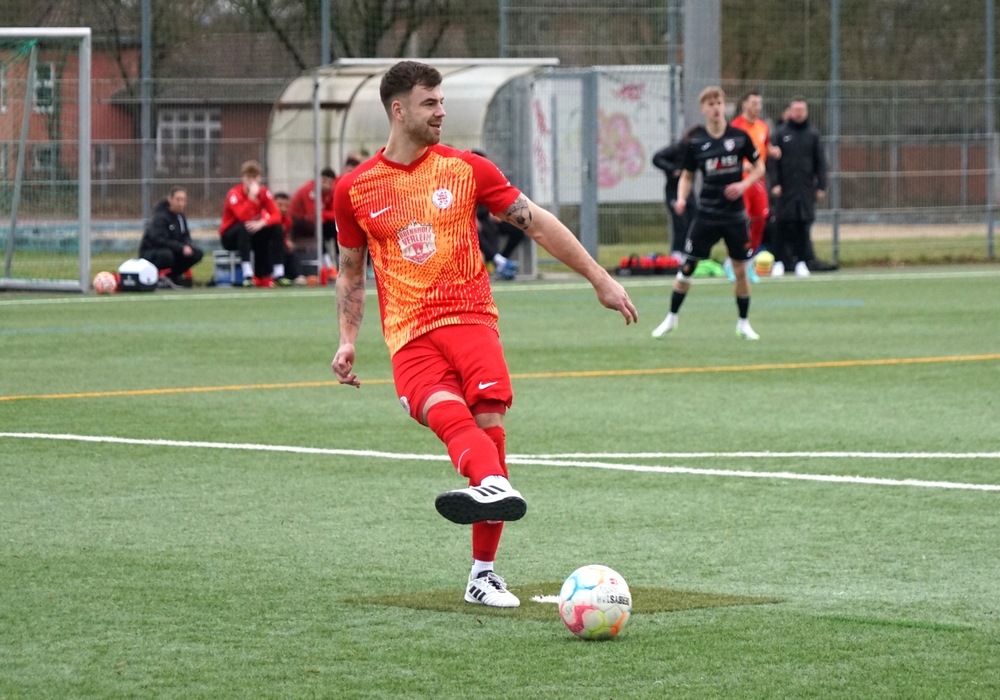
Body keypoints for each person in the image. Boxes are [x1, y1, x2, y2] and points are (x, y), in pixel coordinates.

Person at [331, 61, 637, 608]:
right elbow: (351, 270)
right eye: (430, 103)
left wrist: (600, 278)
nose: (441, 111)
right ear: (398, 110)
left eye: (442, 101)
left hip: (471, 319)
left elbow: (536, 221)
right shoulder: (354, 189)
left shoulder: (467, 168)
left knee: (489, 423)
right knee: (445, 415)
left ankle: (482, 574)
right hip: (409, 336)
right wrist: (347, 338)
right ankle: (492, 486)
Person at [651, 86, 765, 341]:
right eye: (710, 104)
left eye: (719, 103)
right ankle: (671, 318)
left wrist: (743, 185)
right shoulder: (696, 143)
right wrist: (682, 198)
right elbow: (687, 176)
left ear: (725, 105)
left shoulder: (740, 138)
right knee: (688, 266)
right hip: (706, 215)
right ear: (703, 109)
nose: (716, 108)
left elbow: (760, 167)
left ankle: (744, 323)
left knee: (740, 269)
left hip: (735, 216)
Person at [768, 96, 827, 278]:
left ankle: (801, 262)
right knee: (781, 225)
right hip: (785, 189)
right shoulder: (780, 133)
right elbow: (771, 162)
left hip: (805, 189)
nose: (799, 113)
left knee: (803, 226)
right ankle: (779, 262)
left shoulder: (813, 134)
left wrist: (821, 185)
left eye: (802, 110)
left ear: (806, 112)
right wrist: (775, 183)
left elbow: (821, 162)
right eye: (796, 110)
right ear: (790, 111)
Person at [729, 91, 778, 283]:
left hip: (758, 182)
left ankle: (748, 262)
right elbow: (728, 154)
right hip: (740, 182)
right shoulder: (735, 127)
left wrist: (772, 151)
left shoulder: (763, 126)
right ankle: (732, 262)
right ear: (744, 105)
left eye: (759, 103)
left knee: (761, 220)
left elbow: (765, 145)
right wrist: (742, 165)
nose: (757, 107)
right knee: (740, 222)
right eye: (753, 103)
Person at [219, 160, 287, 287]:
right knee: (244, 227)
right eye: (248, 177)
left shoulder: (264, 192)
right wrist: (251, 197)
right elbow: (243, 217)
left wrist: (263, 222)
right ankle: (247, 274)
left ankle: (278, 273)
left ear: (260, 178)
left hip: (251, 232)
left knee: (276, 228)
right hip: (230, 237)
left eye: (255, 177)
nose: (252, 181)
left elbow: (277, 215)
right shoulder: (234, 194)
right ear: (243, 178)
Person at [138, 186, 202, 289]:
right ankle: (155, 277)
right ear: (170, 199)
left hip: (172, 249)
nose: (181, 203)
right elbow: (159, 240)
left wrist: (187, 245)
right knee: (167, 255)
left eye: (183, 200)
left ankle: (172, 276)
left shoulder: (181, 217)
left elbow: (185, 235)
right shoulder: (160, 217)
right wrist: (180, 247)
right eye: (178, 200)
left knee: (196, 253)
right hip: (152, 251)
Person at [652, 137, 697, 258]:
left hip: (689, 192)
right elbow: (657, 158)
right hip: (673, 191)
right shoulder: (677, 148)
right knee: (680, 223)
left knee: (693, 221)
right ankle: (677, 254)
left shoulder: (696, 151)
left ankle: (690, 253)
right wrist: (672, 169)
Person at [289, 167, 338, 277]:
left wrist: (324, 214)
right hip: (298, 223)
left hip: (317, 222)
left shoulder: (331, 192)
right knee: (320, 231)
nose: (327, 186)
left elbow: (336, 213)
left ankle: (341, 264)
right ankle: (328, 266)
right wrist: (326, 215)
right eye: (324, 181)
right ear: (319, 180)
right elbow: (313, 216)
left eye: (330, 183)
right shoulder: (310, 190)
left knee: (338, 228)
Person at [273, 192, 306, 285]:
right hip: (268, 248)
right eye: (280, 205)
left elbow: (283, 236)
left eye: (286, 206)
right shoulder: (267, 217)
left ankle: (298, 276)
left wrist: (287, 242)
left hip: (280, 247)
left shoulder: (288, 221)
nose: (283, 209)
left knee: (291, 251)